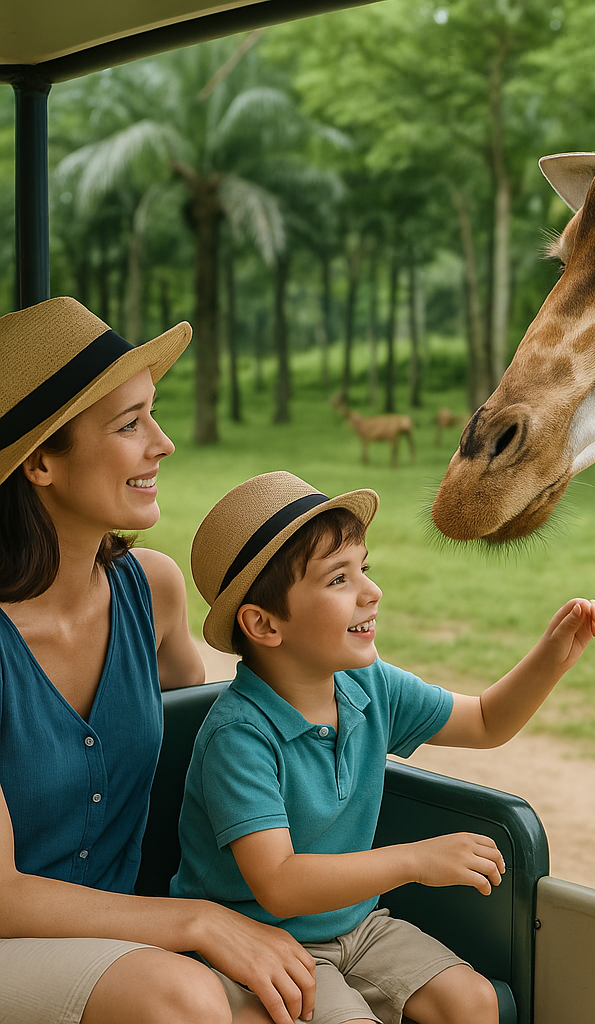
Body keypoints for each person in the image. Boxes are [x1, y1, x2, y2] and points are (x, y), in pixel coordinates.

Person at [174, 470, 595, 1024]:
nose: (371, 592)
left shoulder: (366, 684)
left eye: (365, 569)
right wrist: (417, 860)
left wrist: (552, 657)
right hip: (265, 943)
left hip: (357, 923)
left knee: (474, 1003)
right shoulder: (240, 736)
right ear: (263, 624)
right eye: (338, 580)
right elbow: (279, 884)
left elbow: (486, 721)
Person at [0, 297, 318, 1024]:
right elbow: (3, 895)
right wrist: (201, 923)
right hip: (14, 938)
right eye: (130, 423)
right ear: (41, 460)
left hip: (122, 942)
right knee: (181, 996)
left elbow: (214, 732)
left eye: (154, 413)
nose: (163, 443)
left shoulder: (153, 592)